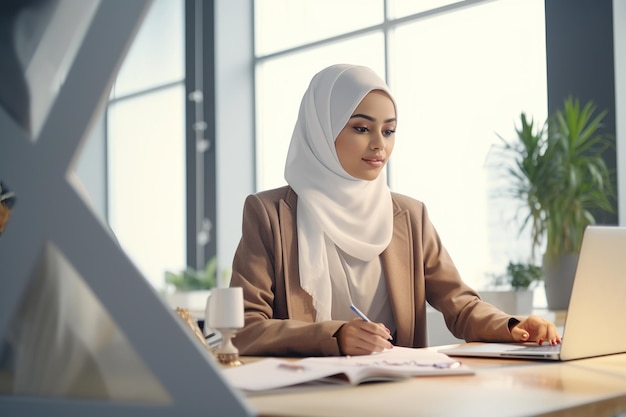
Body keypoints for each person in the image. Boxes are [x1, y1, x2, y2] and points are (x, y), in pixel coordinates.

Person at [229, 64, 561, 357]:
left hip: (399, 389)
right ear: (321, 130)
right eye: (361, 128)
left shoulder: (409, 215)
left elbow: (460, 305)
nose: (379, 145)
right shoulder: (270, 213)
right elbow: (244, 328)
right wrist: (336, 336)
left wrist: (514, 326)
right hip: (309, 394)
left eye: (388, 131)